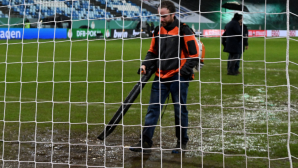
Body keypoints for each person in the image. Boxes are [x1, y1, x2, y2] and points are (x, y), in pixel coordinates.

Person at [129, 0, 200, 154]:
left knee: (179, 111)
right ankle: (145, 142)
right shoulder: (157, 31)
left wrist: (181, 73)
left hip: (178, 78)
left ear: (173, 14)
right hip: (160, 77)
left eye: (164, 16)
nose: (161, 19)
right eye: (159, 16)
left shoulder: (184, 30)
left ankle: (182, 142)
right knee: (152, 110)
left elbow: (194, 55)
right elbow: (152, 52)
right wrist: (145, 64)